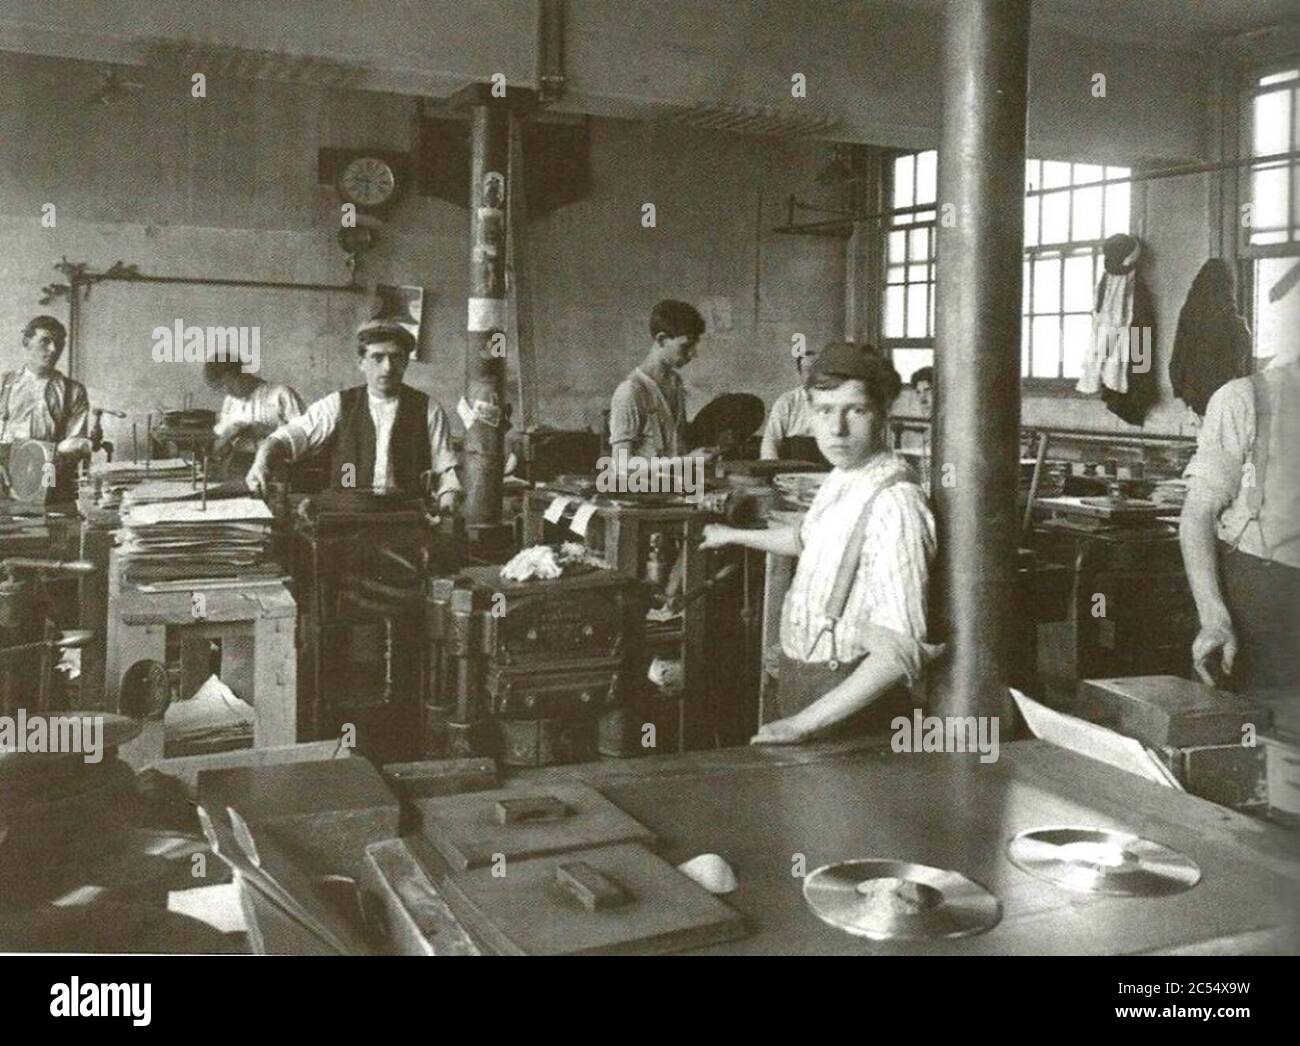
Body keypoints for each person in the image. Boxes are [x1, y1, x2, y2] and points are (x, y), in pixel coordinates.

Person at [701, 343, 938, 744]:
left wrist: (802, 723)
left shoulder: (895, 502)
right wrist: (732, 535)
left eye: (855, 410)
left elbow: (899, 653)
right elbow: (807, 540)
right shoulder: (842, 476)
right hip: (806, 687)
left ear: (883, 413)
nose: (837, 428)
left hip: (850, 709)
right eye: (825, 411)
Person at [1179, 344, 1299, 696]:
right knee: (1246, 735)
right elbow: (1197, 516)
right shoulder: (1245, 399)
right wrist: (1214, 619)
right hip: (1261, 601)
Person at [245, 319, 461, 511]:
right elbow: (291, 436)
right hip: (345, 516)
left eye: (395, 358)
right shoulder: (338, 404)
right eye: (377, 358)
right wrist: (262, 459)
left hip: (406, 517)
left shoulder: (428, 408)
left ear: (405, 362)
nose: (387, 368)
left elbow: (446, 471)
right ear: (361, 363)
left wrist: (448, 497)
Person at [0, 315, 91, 495]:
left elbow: (75, 442)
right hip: (3, 479)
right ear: (27, 342)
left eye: (59, 344)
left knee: (50, 519)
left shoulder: (73, 391)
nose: (53, 349)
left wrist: (56, 457)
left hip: (51, 476)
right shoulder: (3, 384)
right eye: (45, 341)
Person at [609, 300, 707, 460]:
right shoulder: (630, 391)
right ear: (661, 339)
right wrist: (687, 461)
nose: (693, 354)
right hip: (641, 485)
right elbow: (621, 466)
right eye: (685, 346)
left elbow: (673, 445)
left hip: (676, 483)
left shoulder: (676, 383)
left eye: (694, 345)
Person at [204, 360, 304, 478]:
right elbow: (220, 448)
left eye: (229, 386)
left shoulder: (281, 393)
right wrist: (226, 437)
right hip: (237, 467)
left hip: (276, 465)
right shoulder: (230, 401)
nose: (228, 392)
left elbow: (303, 434)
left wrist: (268, 431)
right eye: (222, 389)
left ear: (243, 373)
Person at [759, 342, 821, 460]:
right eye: (808, 370)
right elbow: (771, 440)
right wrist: (774, 472)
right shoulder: (787, 401)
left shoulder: (836, 399)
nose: (815, 375)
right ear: (799, 374)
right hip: (796, 463)